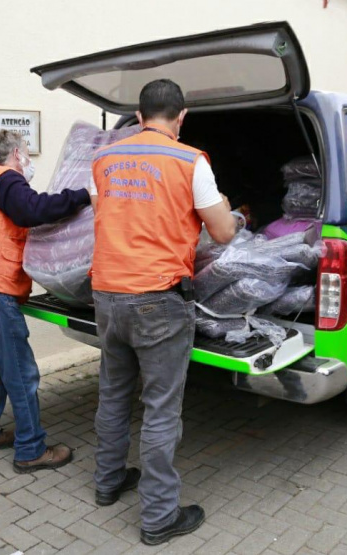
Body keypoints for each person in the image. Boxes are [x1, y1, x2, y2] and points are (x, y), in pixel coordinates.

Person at [88, 79, 236, 545]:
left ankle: (108, 482)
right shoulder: (190, 161)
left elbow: (106, 212)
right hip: (158, 299)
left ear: (137, 113)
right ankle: (158, 518)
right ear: (182, 116)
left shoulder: (104, 160)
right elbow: (224, 232)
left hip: (107, 295)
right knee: (160, 411)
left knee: (113, 394)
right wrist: (227, 210)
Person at [0, 130, 90, 472]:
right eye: (27, 154)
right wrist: (84, 196)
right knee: (21, 375)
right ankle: (30, 449)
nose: (29, 162)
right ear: (16, 154)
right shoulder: (6, 179)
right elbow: (34, 209)